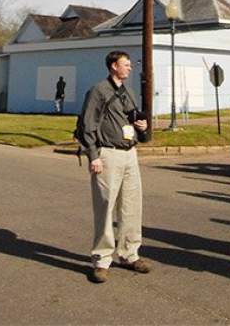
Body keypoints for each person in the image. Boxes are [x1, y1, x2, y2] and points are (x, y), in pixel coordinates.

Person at [78, 50, 151, 284]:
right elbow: (87, 124)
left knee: (132, 206)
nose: (129, 67)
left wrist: (142, 126)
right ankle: (102, 260)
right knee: (105, 207)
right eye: (125, 64)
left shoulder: (128, 91)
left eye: (130, 64)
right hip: (107, 154)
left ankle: (129, 254)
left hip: (130, 153)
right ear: (113, 66)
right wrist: (93, 156)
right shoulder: (98, 91)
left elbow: (131, 119)